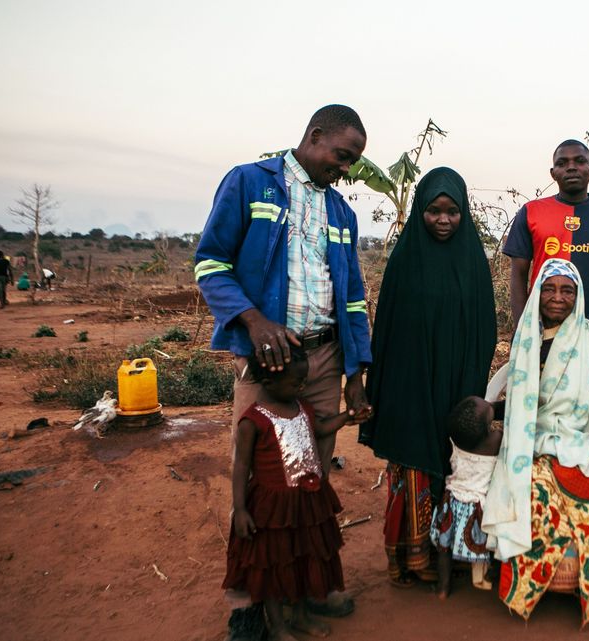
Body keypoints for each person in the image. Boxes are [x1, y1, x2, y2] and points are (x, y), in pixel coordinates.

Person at [195, 104, 372, 635]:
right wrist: (252, 321)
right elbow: (210, 263)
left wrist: (356, 370)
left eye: (354, 162)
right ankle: (250, 602)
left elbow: (355, 297)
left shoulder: (341, 211)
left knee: (308, 482)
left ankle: (302, 587)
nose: (345, 169)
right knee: (259, 481)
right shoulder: (250, 182)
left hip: (324, 358)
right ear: (314, 136)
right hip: (268, 363)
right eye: (342, 156)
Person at [359, 167, 496, 588]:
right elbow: (386, 331)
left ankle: (452, 551)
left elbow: (484, 328)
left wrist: (471, 382)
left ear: (463, 212)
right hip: (411, 383)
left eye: (452, 211)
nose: (442, 220)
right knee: (413, 462)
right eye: (433, 211)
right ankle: (409, 557)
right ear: (420, 210)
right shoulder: (404, 260)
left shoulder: (473, 260)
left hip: (458, 381)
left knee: (456, 464)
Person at [483, 258, 589, 627]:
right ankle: (532, 585)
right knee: (531, 497)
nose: (557, 297)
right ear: (537, 292)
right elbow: (520, 401)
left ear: (578, 296)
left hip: (581, 442)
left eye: (567, 290)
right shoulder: (526, 337)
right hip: (530, 444)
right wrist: (488, 412)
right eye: (548, 288)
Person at [223, 346, 349, 640]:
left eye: (302, 382)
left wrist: (348, 417)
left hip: (305, 503)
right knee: (274, 563)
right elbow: (241, 467)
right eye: (296, 383)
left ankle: (301, 615)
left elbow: (320, 429)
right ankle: (277, 625)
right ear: (268, 383)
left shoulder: (302, 406)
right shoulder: (252, 421)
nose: (302, 387)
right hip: (272, 509)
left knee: (303, 557)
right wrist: (240, 509)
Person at [503, 139, 589, 350]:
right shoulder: (531, 212)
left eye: (580, 161)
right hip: (542, 331)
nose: (571, 167)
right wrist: (522, 329)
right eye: (562, 163)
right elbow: (518, 275)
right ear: (553, 173)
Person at [430, 396, 503, 599]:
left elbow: (480, 417)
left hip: (451, 501)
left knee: (444, 550)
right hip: (479, 507)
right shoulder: (495, 441)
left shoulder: (455, 440)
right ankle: (492, 574)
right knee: (491, 543)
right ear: (487, 428)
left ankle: (443, 588)